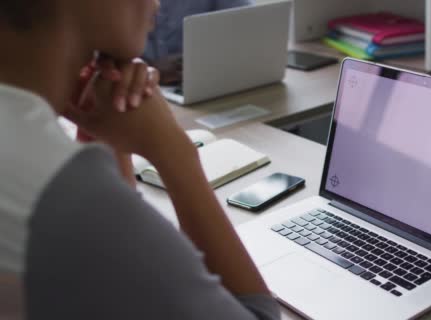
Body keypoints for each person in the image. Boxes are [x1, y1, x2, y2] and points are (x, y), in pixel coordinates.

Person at [0, 1, 279, 319]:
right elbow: (258, 313)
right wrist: (175, 154)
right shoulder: (61, 190)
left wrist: (107, 137)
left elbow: (120, 263)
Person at [144, 0, 253, 83]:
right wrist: (150, 67)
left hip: (203, 80)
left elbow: (243, 30)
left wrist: (198, 61)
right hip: (140, 85)